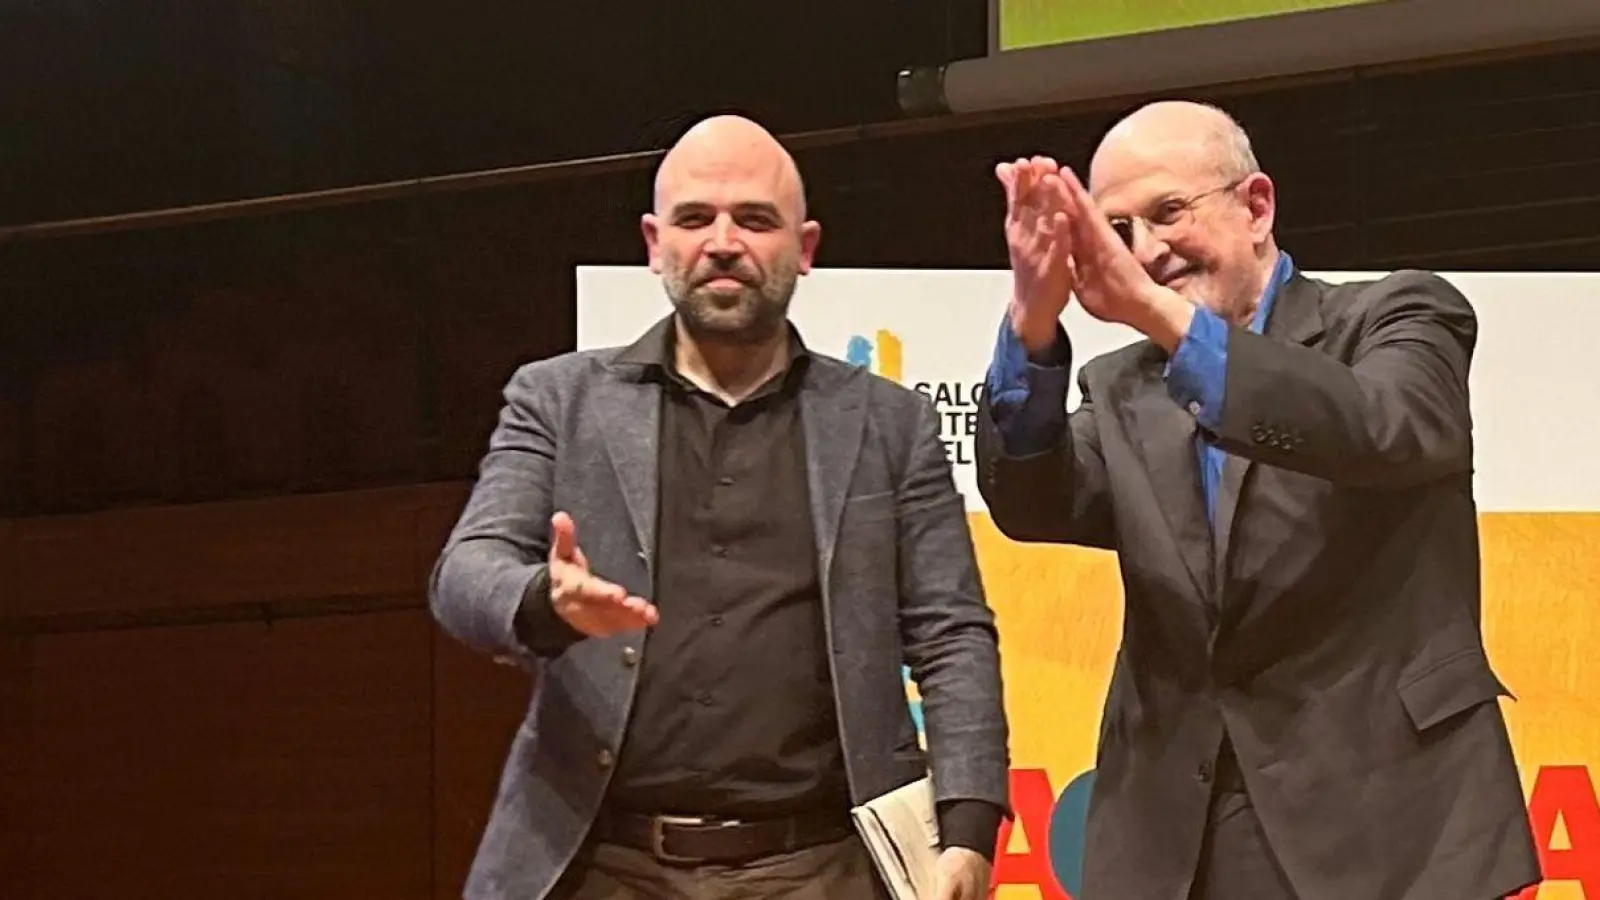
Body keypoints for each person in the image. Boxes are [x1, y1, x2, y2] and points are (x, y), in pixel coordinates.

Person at [430, 113, 1010, 900]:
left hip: (823, 865)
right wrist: (542, 599)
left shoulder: (889, 423)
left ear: (804, 250)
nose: (723, 241)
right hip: (602, 860)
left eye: (755, 220)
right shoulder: (558, 399)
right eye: (695, 218)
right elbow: (465, 573)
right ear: (653, 242)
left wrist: (969, 831)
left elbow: (952, 634)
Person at [975, 100, 1541, 900]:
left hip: (1392, 828)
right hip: (1178, 839)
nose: (1150, 249)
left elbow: (1384, 429)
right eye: (1122, 230)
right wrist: (1032, 326)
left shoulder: (1399, 317)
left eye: (1169, 211)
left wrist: (1160, 319)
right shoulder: (1123, 388)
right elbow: (1033, 503)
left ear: (1257, 207)